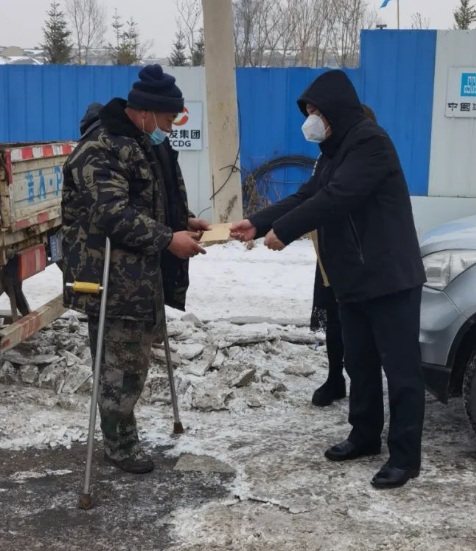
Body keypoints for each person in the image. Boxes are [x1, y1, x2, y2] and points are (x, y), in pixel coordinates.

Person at [231, 71, 426, 489]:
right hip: (352, 278)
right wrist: (258, 222)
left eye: (316, 111)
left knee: (402, 372)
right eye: (308, 111)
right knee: (359, 364)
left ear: (336, 108)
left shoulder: (370, 143)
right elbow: (308, 194)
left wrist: (285, 231)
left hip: (389, 277)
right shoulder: (332, 152)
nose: (311, 119)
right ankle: (364, 435)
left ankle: (405, 457)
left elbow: (337, 198)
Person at [61, 64, 209, 475]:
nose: (171, 127)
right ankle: (119, 444)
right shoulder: (100, 149)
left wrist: (182, 221)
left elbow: (149, 200)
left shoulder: (144, 142)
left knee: (135, 360)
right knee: (120, 366)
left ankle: (122, 434)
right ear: (145, 111)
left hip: (141, 275)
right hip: (111, 277)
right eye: (168, 118)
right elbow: (113, 214)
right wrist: (168, 238)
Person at [309, 104, 378, 408]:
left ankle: (364, 388)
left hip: (362, 253)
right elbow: (311, 197)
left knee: (360, 324)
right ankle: (334, 377)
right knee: (333, 316)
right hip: (330, 251)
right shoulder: (327, 157)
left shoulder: (372, 156)